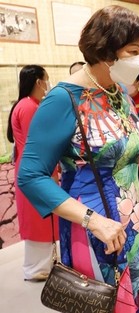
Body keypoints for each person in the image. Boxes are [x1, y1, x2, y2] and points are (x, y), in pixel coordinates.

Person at [17, 5, 139, 312]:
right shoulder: (63, 99)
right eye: (133, 51)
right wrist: (92, 220)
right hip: (94, 227)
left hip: (133, 224)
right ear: (105, 50)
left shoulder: (118, 92)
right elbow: (31, 175)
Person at [7, 65, 58, 282]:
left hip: (36, 168)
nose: (48, 83)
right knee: (38, 220)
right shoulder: (28, 107)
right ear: (39, 82)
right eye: (46, 79)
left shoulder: (29, 105)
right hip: (36, 170)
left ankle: (44, 265)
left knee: (42, 218)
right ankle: (37, 269)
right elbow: (37, 144)